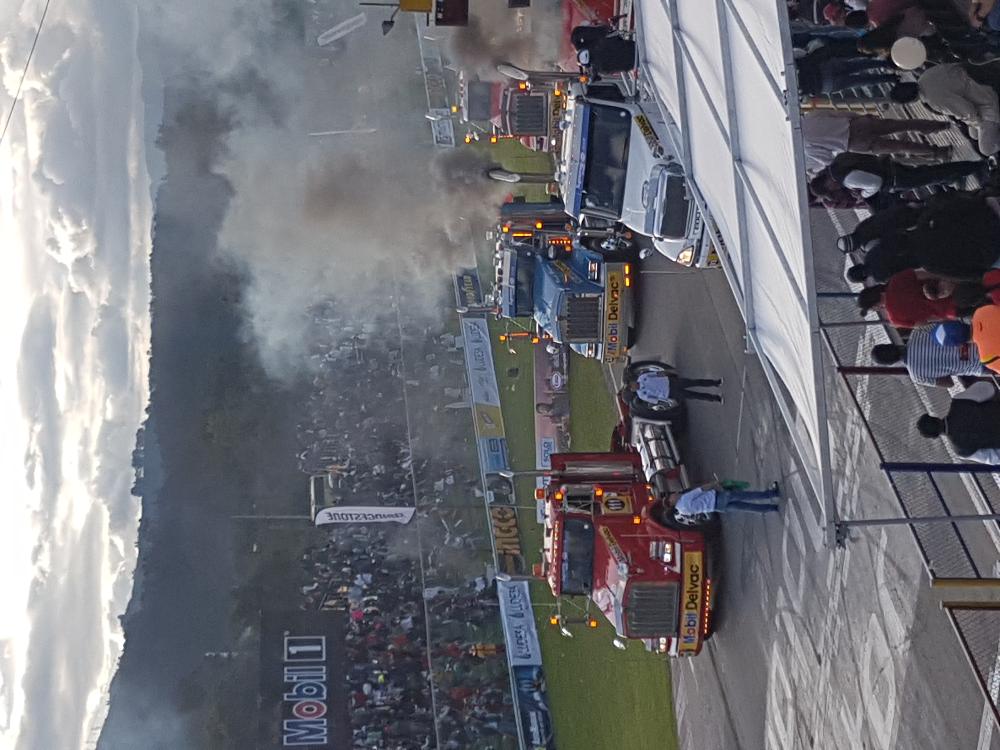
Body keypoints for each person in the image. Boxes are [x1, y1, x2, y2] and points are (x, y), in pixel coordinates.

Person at [801, 112, 949, 173]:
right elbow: (838, 113)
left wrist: (816, 169)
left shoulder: (807, 146)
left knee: (900, 147)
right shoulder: (809, 116)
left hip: (854, 143)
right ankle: (938, 125)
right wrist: (859, 116)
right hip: (857, 124)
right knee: (902, 124)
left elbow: (828, 160)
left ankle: (938, 152)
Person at [815, 152, 987, 201]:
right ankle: (960, 172)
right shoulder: (839, 160)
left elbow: (875, 183)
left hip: (894, 179)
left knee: (933, 175)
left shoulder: (846, 179)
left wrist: (864, 194)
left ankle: (972, 167)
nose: (836, 190)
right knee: (932, 173)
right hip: (889, 166)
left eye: (831, 190)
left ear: (828, 184)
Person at [918, 63, 1000, 155]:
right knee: (974, 135)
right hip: (977, 84)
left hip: (986, 103)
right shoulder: (924, 77)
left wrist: (977, 124)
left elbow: (968, 111)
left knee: (986, 149)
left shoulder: (934, 100)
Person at [871, 326, 989, 385]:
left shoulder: (917, 376)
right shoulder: (918, 332)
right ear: (890, 344)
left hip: (981, 365)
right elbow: (945, 327)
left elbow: (948, 383)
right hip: (979, 340)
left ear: (892, 363)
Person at [916, 381, 1000, 463]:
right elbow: (988, 388)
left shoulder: (961, 450)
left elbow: (994, 458)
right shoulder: (959, 402)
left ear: (935, 436)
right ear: (936, 418)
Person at [856, 269, 961, 328]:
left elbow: (924, 322)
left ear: (875, 306)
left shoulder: (895, 318)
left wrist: (944, 317)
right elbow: (927, 274)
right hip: (951, 284)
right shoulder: (896, 280)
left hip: (951, 310)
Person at [668, 481, 782, 517]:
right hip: (718, 497)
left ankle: (772, 508)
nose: (674, 494)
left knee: (746, 507)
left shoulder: (682, 511)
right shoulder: (684, 499)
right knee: (747, 496)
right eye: (672, 496)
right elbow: (700, 490)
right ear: (671, 502)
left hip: (716, 508)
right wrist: (714, 484)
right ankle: (771, 493)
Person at [629, 368, 723, 404]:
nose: (634, 386)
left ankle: (716, 383)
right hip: (670, 393)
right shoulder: (642, 395)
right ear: (633, 390)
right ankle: (716, 398)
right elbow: (655, 400)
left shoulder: (642, 377)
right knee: (693, 395)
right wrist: (668, 400)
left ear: (633, 382)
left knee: (694, 382)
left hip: (671, 382)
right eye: (632, 388)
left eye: (632, 384)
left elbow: (656, 374)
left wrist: (668, 372)